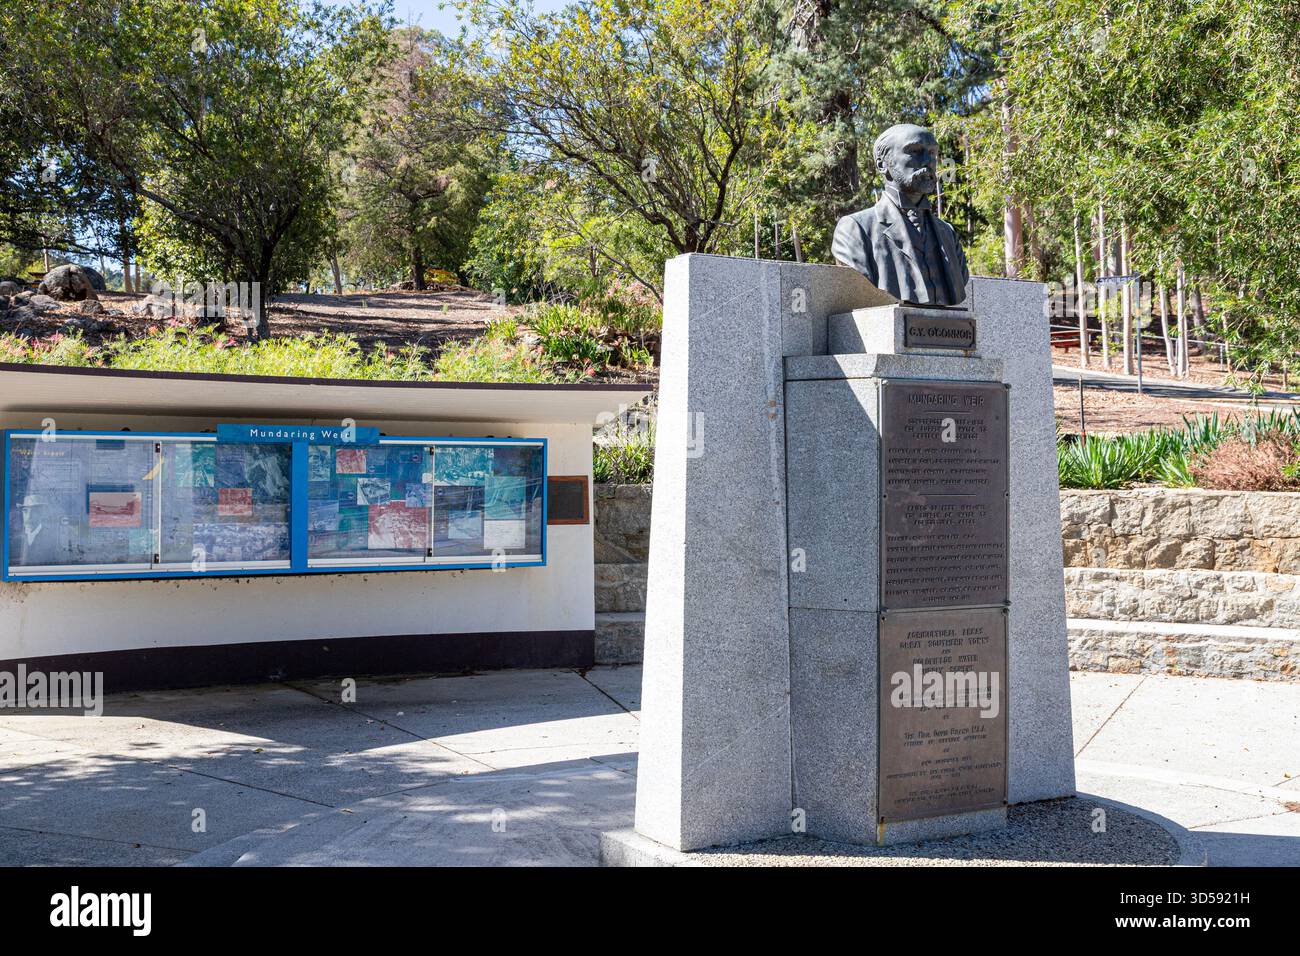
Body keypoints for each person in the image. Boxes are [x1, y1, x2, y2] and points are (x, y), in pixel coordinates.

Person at [832, 123, 970, 307]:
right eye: (914, 151)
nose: (928, 161)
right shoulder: (856, 229)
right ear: (883, 164)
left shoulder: (947, 233)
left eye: (932, 153)